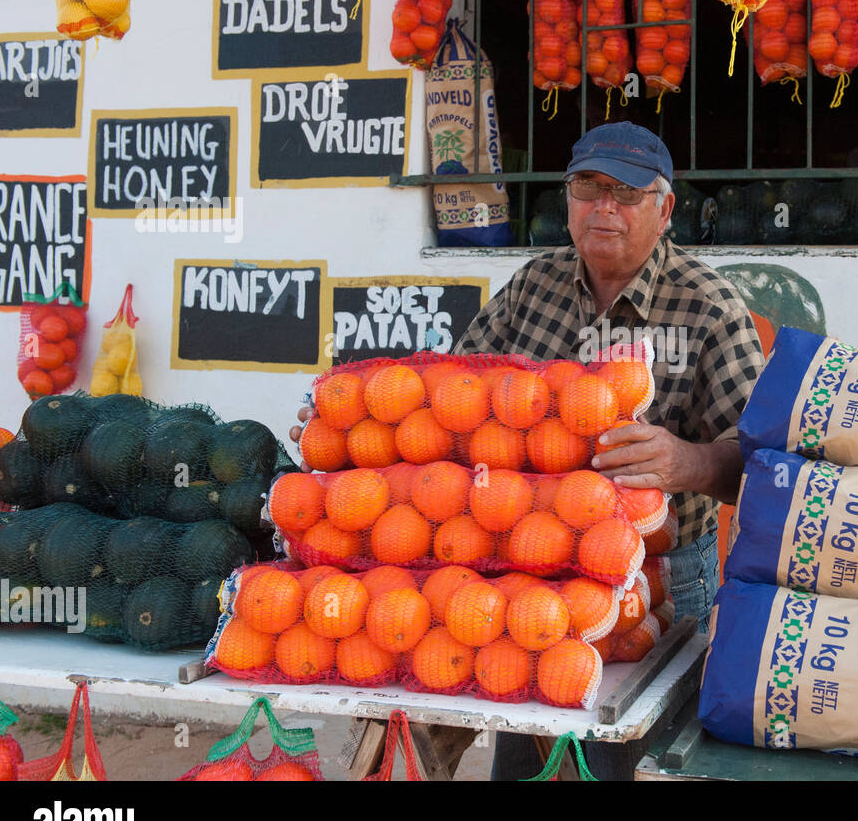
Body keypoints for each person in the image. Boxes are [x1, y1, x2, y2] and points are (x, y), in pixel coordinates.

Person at [292, 122, 765, 779]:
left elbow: (762, 463)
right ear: (566, 199)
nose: (605, 205)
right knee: (523, 732)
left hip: (649, 578)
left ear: (665, 208)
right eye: (588, 186)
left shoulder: (709, 307)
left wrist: (684, 460)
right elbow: (444, 412)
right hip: (524, 564)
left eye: (627, 193)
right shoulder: (533, 286)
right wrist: (345, 437)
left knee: (616, 755)